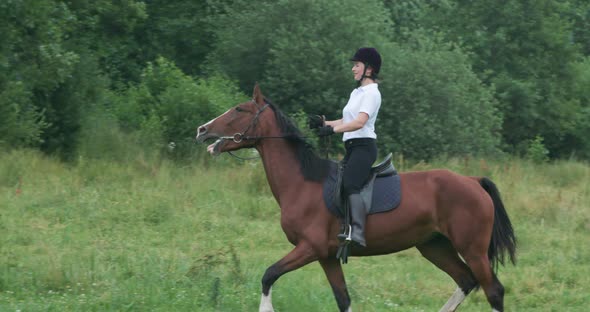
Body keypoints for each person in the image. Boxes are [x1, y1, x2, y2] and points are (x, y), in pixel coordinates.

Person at [308, 47, 382, 247]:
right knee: (336, 182)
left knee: (350, 183)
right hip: (352, 147)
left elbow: (359, 122)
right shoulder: (357, 92)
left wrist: (334, 131)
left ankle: (358, 232)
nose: (353, 69)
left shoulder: (372, 93)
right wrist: (325, 123)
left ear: (369, 69)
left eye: (356, 65)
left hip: (364, 148)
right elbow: (345, 119)